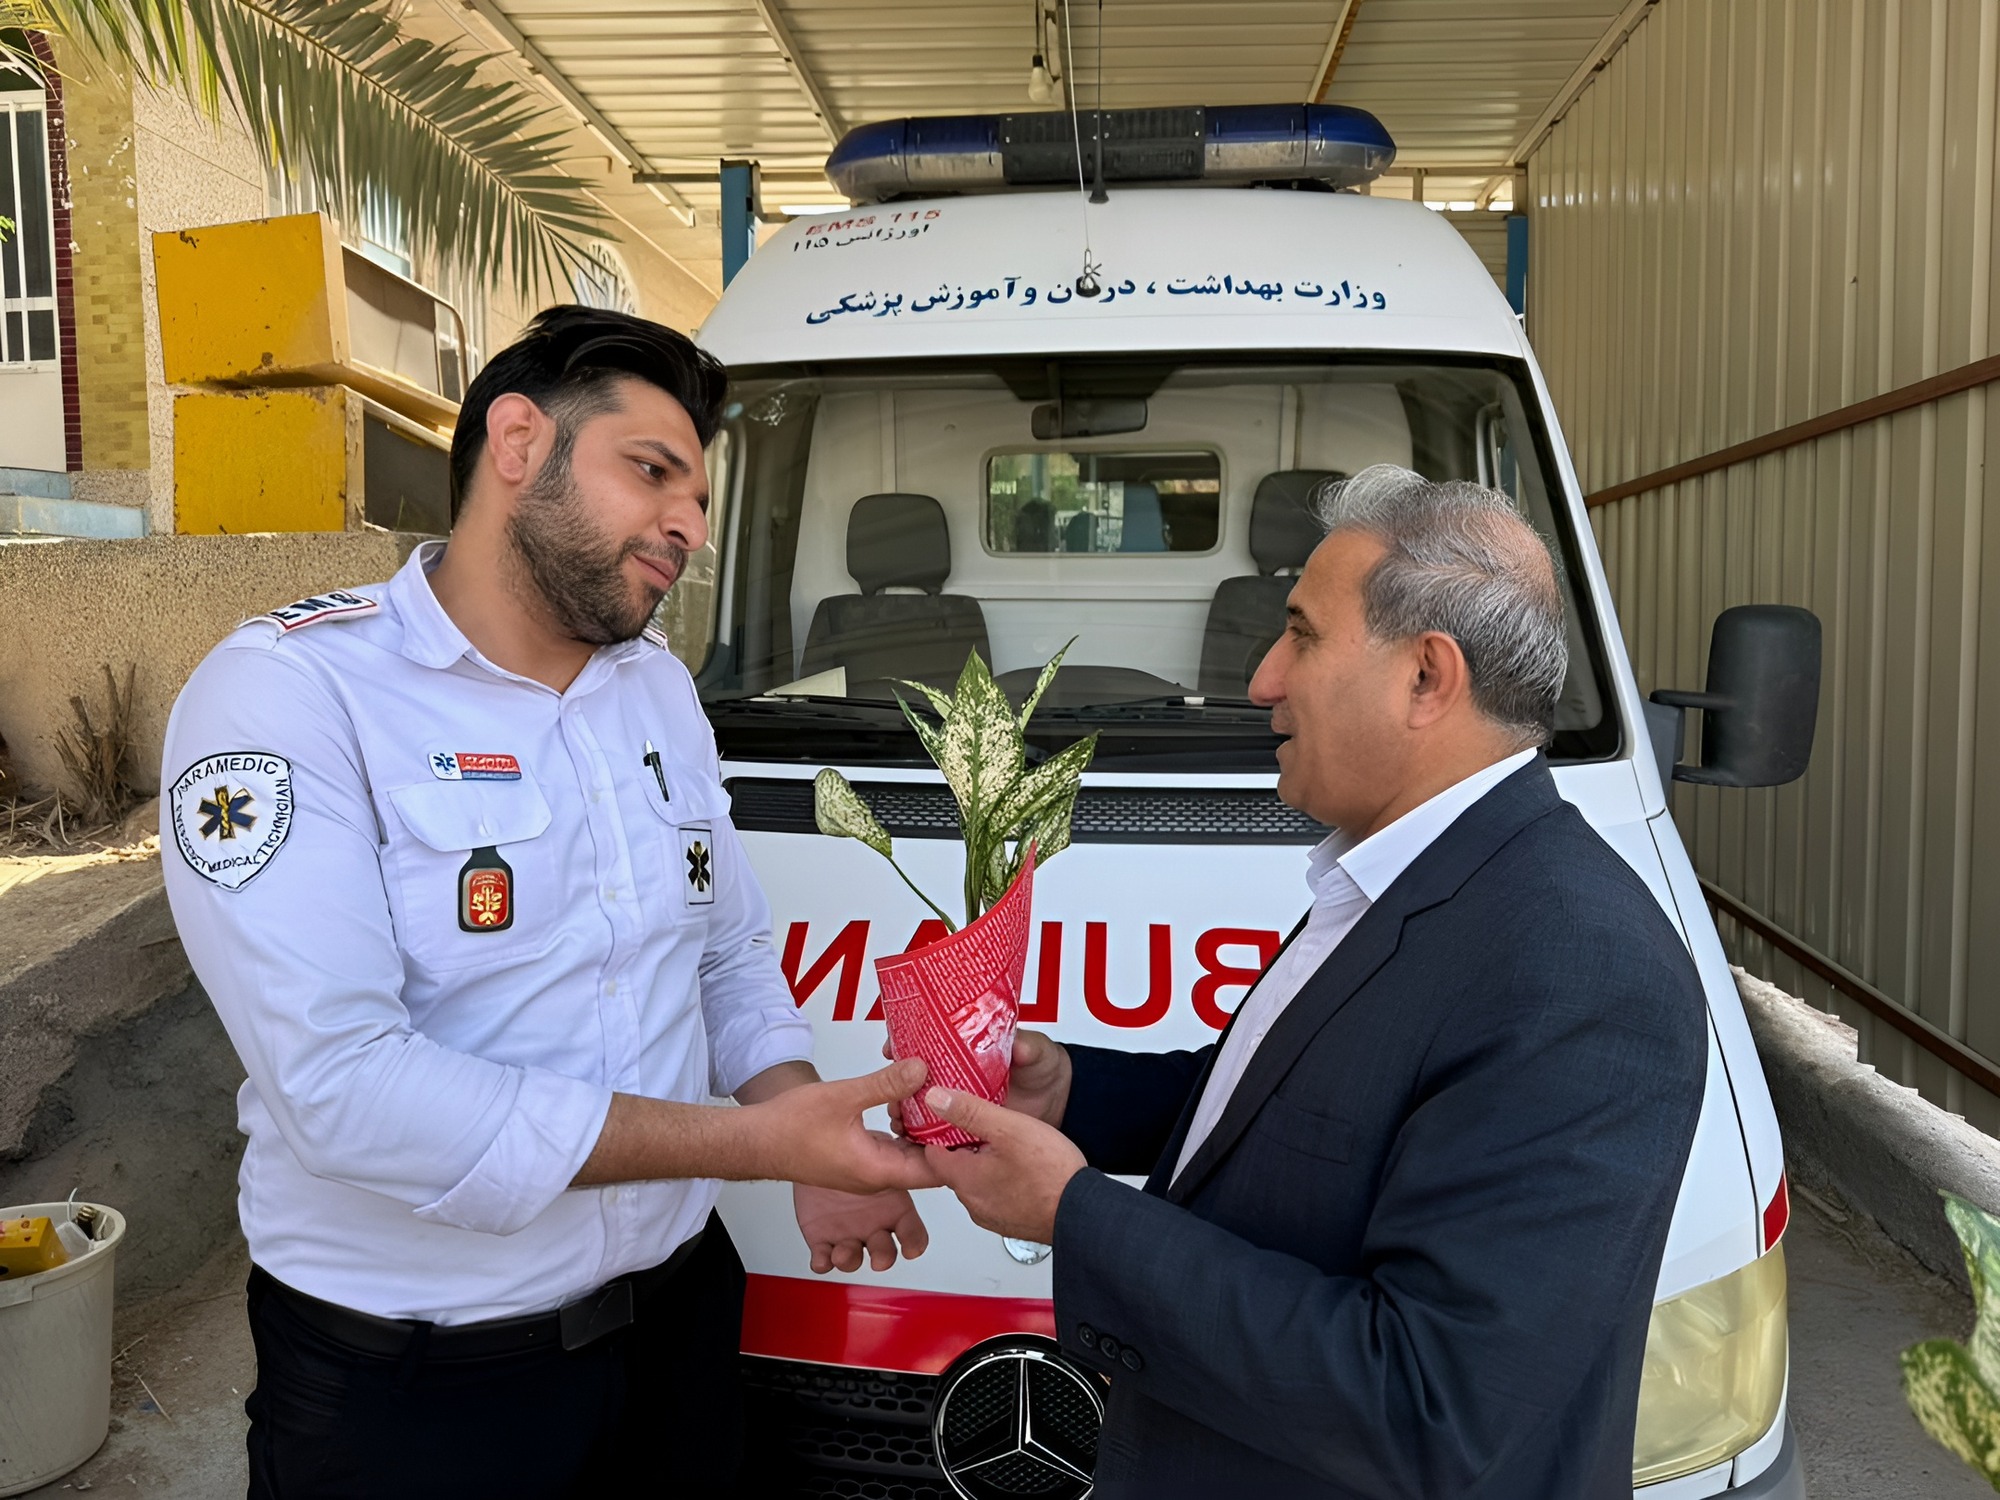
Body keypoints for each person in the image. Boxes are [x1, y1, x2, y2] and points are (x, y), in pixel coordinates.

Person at [160, 306, 935, 1498]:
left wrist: (804, 1128)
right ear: (519, 443)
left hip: (676, 1328)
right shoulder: (290, 693)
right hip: (423, 1389)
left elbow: (722, 950)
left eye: (700, 499)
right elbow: (343, 1089)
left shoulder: (654, 688)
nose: (688, 526)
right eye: (653, 472)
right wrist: (750, 1144)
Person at [919, 465, 1709, 1498]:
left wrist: (1076, 1216)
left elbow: (1429, 1404)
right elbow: (1295, 1113)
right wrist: (1073, 1093)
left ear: (1425, 677)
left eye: (1299, 635)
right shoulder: (1408, 872)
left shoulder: (1581, 970)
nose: (1260, 681)